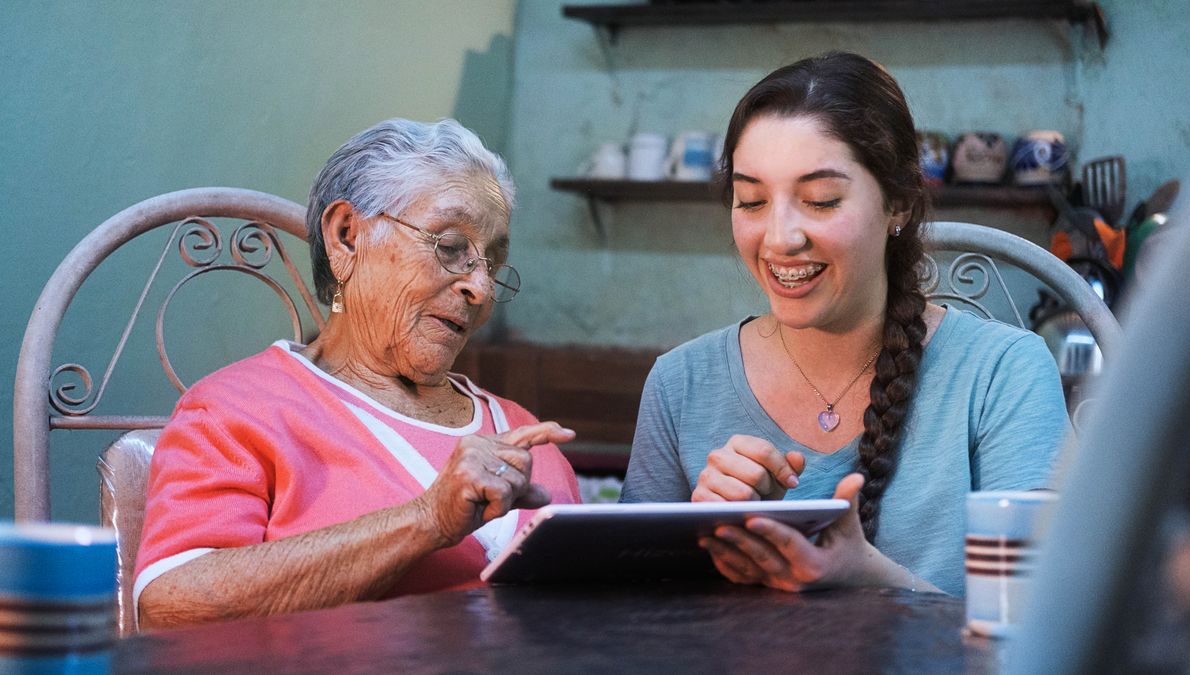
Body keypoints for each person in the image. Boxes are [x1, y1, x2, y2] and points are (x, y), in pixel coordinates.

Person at [619, 52, 1069, 597]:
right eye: (751, 200)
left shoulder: (1001, 375)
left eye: (821, 200)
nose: (780, 238)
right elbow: (634, 613)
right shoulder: (680, 384)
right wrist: (691, 542)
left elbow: (1045, 629)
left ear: (898, 203)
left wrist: (866, 577)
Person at [134, 118, 580, 629]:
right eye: (451, 246)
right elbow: (170, 606)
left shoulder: (526, 433)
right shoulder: (239, 410)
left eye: (493, 264)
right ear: (347, 237)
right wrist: (426, 520)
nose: (481, 289)